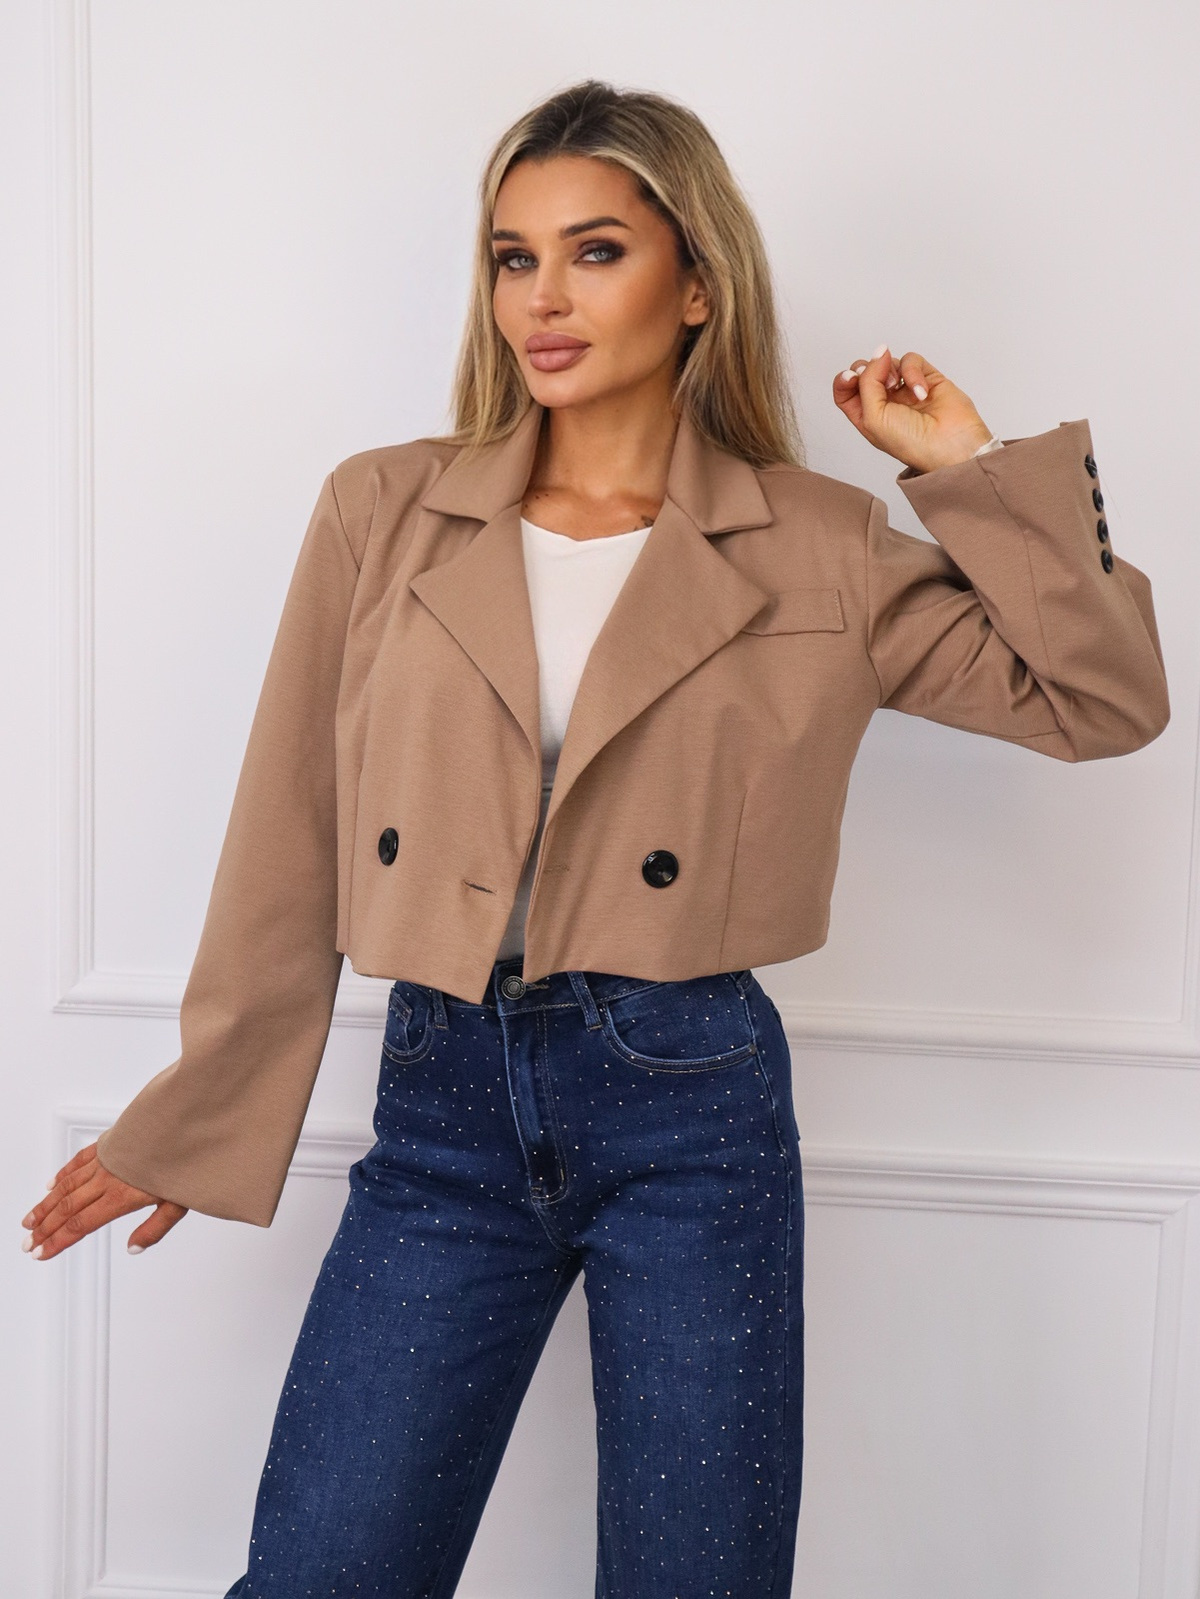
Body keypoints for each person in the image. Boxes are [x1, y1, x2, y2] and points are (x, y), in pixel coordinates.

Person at [19, 78, 1168, 1599]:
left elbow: (1101, 699)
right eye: (514, 257)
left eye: (596, 252)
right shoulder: (386, 510)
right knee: (322, 1574)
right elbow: (288, 825)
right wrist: (203, 1111)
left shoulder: (818, 542)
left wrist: (964, 469)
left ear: (698, 284)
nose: (542, 299)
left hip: (692, 1103)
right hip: (442, 1101)